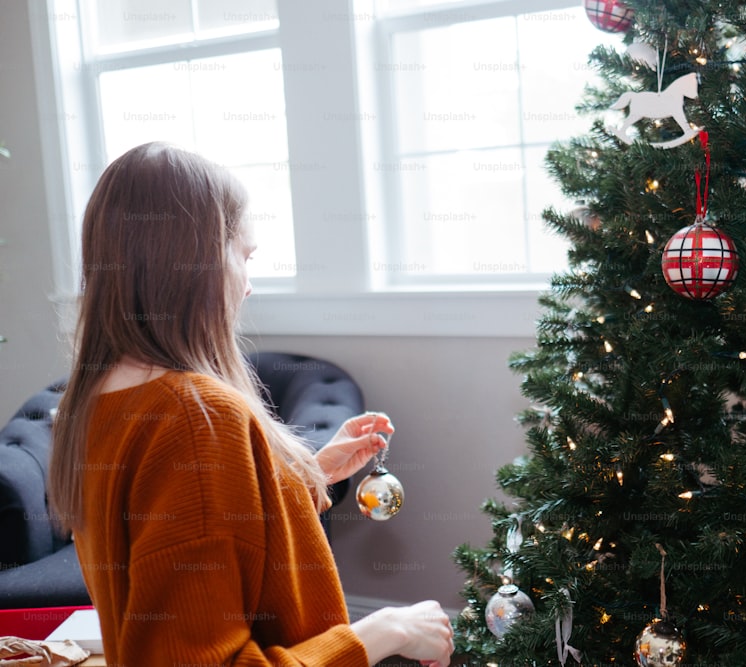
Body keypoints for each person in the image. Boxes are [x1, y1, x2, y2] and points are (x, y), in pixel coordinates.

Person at [48, 142, 454, 666]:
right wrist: (384, 630)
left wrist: (303, 474)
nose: (247, 284)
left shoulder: (98, 400)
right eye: (245, 256)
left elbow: (196, 540)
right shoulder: (197, 416)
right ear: (197, 263)